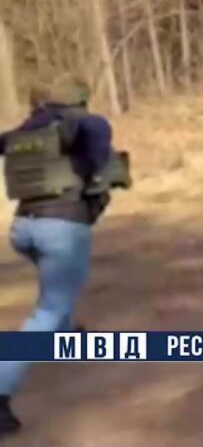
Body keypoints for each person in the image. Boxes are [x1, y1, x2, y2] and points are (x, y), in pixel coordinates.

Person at [0, 75, 128, 435]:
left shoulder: (26, 131)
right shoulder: (84, 122)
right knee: (49, 310)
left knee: (58, 290)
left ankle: (67, 334)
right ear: (80, 100)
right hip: (62, 229)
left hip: (24, 227)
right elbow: (96, 139)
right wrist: (101, 175)